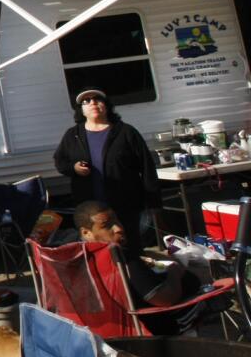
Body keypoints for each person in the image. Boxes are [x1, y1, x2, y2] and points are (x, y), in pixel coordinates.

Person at [53, 88, 163, 251]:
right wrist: (74, 168)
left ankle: (135, 273)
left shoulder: (126, 132)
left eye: (97, 99)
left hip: (125, 203)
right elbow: (60, 162)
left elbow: (147, 167)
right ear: (81, 110)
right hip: (90, 208)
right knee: (97, 250)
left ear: (107, 105)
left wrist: (154, 202)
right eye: (86, 101)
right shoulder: (73, 135)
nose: (93, 103)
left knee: (129, 246)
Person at [73, 199, 205, 335]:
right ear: (86, 233)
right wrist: (175, 272)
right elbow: (165, 299)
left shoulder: (74, 259)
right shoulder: (121, 257)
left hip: (101, 331)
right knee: (206, 295)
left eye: (117, 221)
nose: (118, 228)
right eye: (107, 226)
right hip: (148, 328)